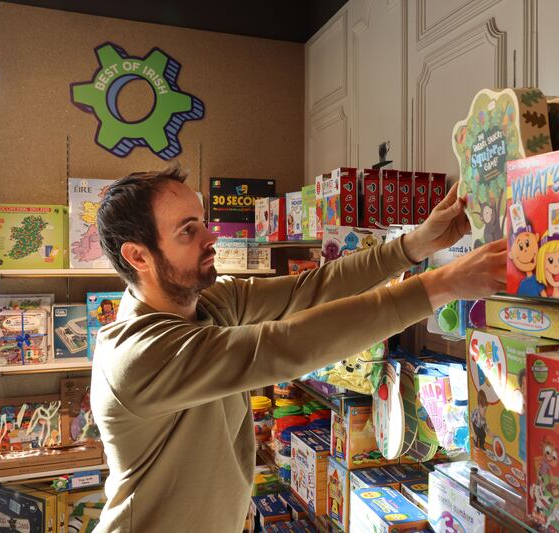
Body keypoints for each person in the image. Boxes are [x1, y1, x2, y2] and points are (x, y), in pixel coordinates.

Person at [90, 165, 507, 532]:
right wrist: (443, 284)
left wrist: (415, 244)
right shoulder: (138, 355)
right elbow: (287, 345)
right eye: (188, 229)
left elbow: (313, 289)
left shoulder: (208, 303)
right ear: (138, 256)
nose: (210, 235)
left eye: (203, 220)